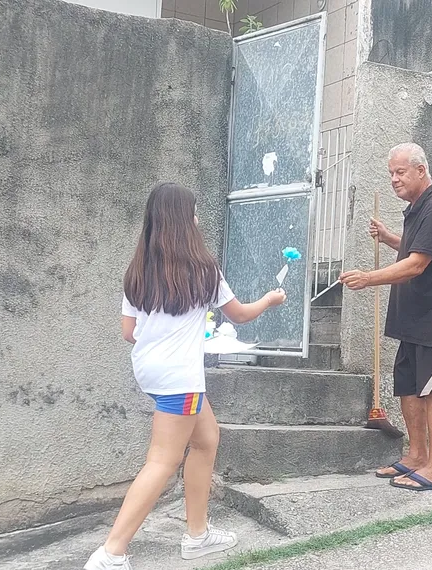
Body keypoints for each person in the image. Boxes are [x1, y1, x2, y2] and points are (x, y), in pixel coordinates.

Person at [85, 183, 286, 570]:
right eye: (193, 211)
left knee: (207, 439)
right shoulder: (204, 268)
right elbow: (240, 315)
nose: (197, 218)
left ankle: (197, 535)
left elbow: (130, 332)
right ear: (182, 219)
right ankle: (111, 552)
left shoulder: (138, 267)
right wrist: (271, 299)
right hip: (181, 377)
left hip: (150, 370)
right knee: (161, 460)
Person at [339, 143, 432, 491]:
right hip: (414, 318)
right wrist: (389, 238)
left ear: (421, 170)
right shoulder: (417, 209)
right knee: (409, 387)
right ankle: (416, 456)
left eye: (400, 172)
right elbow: (419, 249)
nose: (394, 179)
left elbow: (418, 263)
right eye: (390, 173)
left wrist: (369, 278)